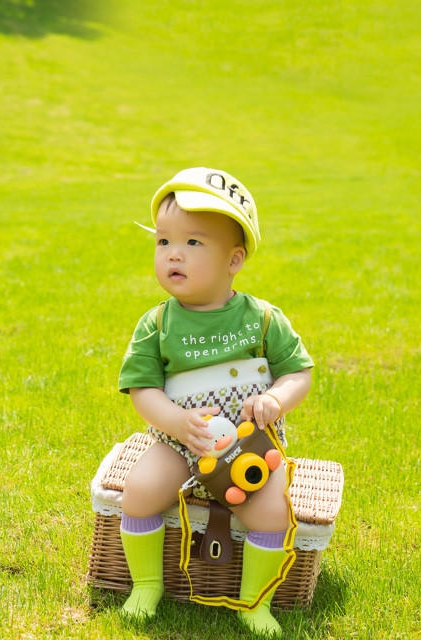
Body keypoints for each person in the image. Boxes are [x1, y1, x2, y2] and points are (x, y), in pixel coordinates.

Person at [117, 167, 314, 636]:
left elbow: (299, 373)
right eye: (163, 241)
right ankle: (146, 585)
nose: (173, 253)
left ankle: (254, 602)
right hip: (180, 440)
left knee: (271, 512)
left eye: (193, 242)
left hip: (249, 446)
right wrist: (175, 422)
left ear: (234, 259)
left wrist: (276, 398)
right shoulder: (156, 324)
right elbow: (143, 389)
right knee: (139, 491)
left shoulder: (262, 318)